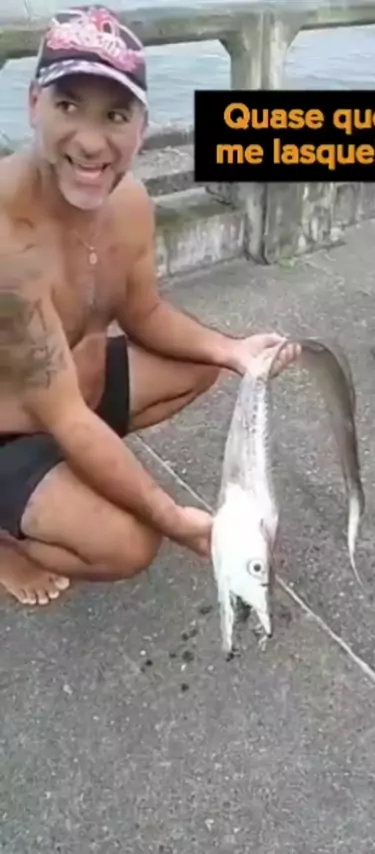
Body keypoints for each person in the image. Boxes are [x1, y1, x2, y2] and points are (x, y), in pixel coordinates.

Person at [0, 4, 299, 607]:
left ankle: (82, 470)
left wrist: (234, 350)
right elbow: (64, 415)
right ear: (33, 104)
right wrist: (172, 516)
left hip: (76, 399)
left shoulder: (130, 201)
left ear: (142, 125)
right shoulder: (9, 239)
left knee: (205, 364)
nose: (91, 141)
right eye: (68, 106)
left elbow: (145, 315)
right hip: (13, 427)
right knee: (130, 545)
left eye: (115, 115)